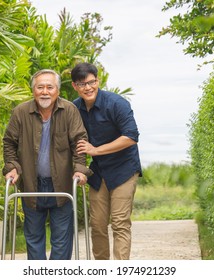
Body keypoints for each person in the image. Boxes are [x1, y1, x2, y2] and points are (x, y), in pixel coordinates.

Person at [2, 69, 92, 260]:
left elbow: (80, 142)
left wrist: (80, 170)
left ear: (57, 91)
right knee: (33, 237)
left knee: (62, 239)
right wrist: (11, 166)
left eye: (49, 87)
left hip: (62, 184)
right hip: (31, 185)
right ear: (33, 90)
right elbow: (9, 142)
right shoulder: (21, 112)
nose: (45, 91)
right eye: (40, 87)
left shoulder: (69, 110)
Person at [71, 62, 142, 260]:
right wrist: (79, 168)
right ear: (75, 86)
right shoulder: (74, 109)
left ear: (98, 81)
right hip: (98, 171)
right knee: (98, 225)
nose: (88, 88)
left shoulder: (116, 103)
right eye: (82, 84)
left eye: (91, 82)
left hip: (124, 169)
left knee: (120, 223)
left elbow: (131, 136)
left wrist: (95, 150)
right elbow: (71, 141)